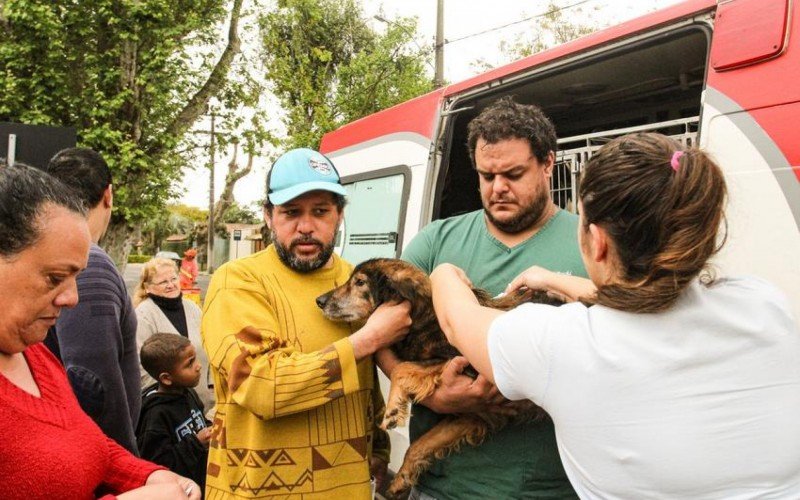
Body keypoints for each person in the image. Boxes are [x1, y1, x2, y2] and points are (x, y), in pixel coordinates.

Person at [432, 132, 800, 498]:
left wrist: (443, 272)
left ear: (598, 240)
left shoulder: (567, 346)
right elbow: (651, 296)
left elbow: (456, 320)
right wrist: (552, 279)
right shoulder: (763, 303)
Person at [393, 96, 586, 499]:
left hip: (556, 489)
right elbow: (386, 331)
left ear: (548, 163)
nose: (498, 188)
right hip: (443, 489)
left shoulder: (590, 243)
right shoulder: (436, 241)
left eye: (514, 174)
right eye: (486, 175)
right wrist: (430, 392)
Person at [201, 148, 412, 499]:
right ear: (268, 216)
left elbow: (366, 384)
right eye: (291, 212)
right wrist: (368, 339)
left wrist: (379, 449)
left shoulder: (357, 280)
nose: (306, 227)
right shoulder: (237, 281)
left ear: (339, 215)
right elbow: (262, 387)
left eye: (320, 212)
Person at [0, 161, 200, 499]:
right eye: (54, 278)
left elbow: (89, 445)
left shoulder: (35, 356)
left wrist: (149, 476)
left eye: (76, 277)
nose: (72, 298)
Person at [42, 147, 142, 454]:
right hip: (94, 462)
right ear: (108, 195)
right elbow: (91, 381)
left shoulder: (48, 255)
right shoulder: (88, 263)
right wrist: (129, 468)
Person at [134, 258, 213, 412]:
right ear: (148, 287)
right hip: (167, 407)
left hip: (201, 402)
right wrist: (159, 401)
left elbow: (208, 346)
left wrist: (211, 386)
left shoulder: (193, 308)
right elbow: (142, 366)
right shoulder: (143, 315)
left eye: (173, 279)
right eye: (163, 282)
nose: (170, 285)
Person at [137, 333, 212, 492]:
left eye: (195, 359)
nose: (198, 366)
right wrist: (196, 443)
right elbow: (159, 467)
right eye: (189, 364)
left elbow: (200, 422)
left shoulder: (188, 393)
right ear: (166, 378)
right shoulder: (155, 415)